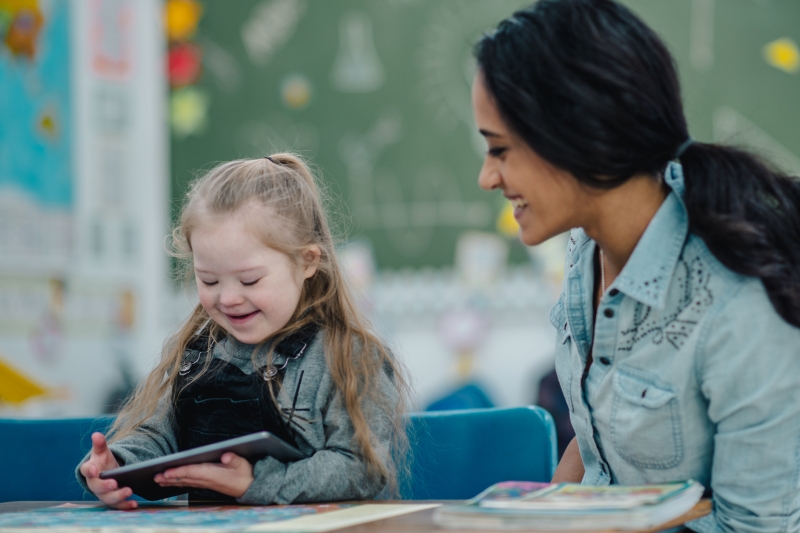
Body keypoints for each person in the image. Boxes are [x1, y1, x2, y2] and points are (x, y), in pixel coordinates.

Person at [472, 1, 800, 531]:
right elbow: (601, 439)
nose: (488, 177)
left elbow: (758, 527)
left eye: (500, 150)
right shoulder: (588, 253)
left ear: (577, 136)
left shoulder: (739, 303)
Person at [77, 154, 408, 509]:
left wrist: (257, 483)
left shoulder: (349, 357)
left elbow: (361, 469)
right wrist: (119, 465)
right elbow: (160, 439)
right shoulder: (194, 353)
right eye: (209, 280)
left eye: (249, 279)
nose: (229, 298)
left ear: (307, 261)